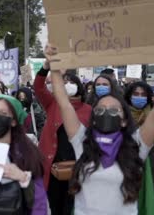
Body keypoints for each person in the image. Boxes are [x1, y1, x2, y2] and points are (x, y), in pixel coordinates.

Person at [46, 44, 154, 214]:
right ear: (94, 119)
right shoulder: (82, 141)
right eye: (100, 110)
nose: (106, 113)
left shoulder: (136, 144)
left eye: (114, 110)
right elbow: (63, 102)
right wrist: (55, 69)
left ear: (123, 120)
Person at [34, 61, 92, 215]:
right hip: (54, 167)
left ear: (79, 87)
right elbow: (39, 87)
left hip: (79, 168)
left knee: (73, 207)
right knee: (56, 207)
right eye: (64, 82)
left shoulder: (89, 110)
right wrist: (46, 67)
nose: (68, 85)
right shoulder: (53, 104)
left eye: (72, 82)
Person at [124, 81, 154, 203]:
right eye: (136, 94)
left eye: (143, 94)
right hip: (128, 168)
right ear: (129, 96)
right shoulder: (121, 116)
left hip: (152, 168)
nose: (139, 97)